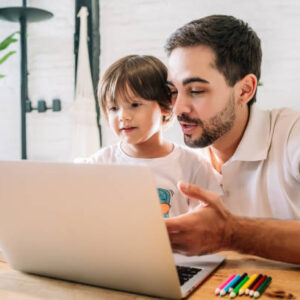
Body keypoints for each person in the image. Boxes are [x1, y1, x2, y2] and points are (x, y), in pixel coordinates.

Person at [164, 15, 300, 263]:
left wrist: (230, 234)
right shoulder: (182, 160)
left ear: (245, 90)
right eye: (173, 91)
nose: (178, 108)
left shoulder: (292, 134)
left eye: (195, 91)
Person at [76, 54, 221, 217]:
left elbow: (215, 218)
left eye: (135, 105)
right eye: (114, 108)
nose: (123, 116)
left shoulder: (193, 166)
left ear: (166, 105)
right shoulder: (99, 163)